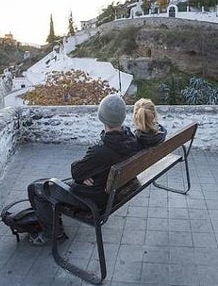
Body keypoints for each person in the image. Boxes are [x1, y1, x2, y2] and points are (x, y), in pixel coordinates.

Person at [27, 93, 141, 246]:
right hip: (111, 192)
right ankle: (54, 216)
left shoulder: (100, 151)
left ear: (103, 118)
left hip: (93, 200)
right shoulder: (132, 140)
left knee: (36, 188)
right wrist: (87, 173)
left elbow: (76, 171)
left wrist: (84, 174)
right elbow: (82, 173)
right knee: (59, 184)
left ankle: (52, 234)